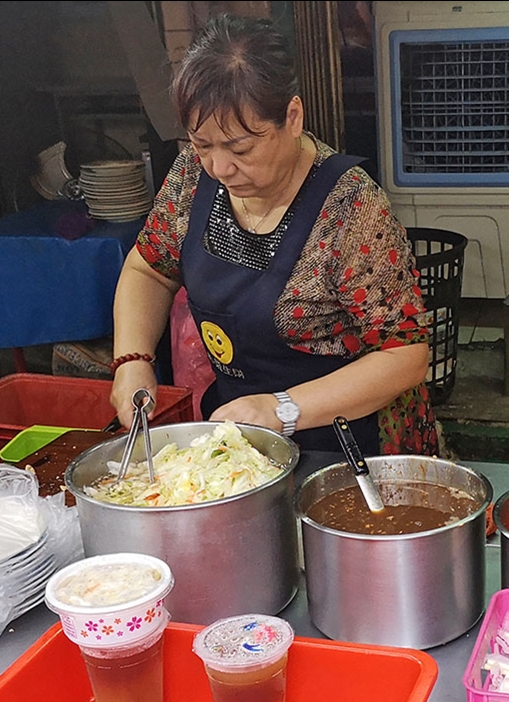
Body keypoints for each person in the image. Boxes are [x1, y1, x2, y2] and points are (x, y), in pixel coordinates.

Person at [109, 14, 438, 456]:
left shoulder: (350, 207)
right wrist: (132, 360)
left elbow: (406, 356)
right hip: (243, 439)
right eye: (202, 144)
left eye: (241, 147)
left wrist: (282, 409)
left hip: (347, 447)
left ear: (293, 116)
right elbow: (150, 269)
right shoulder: (193, 176)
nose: (220, 168)